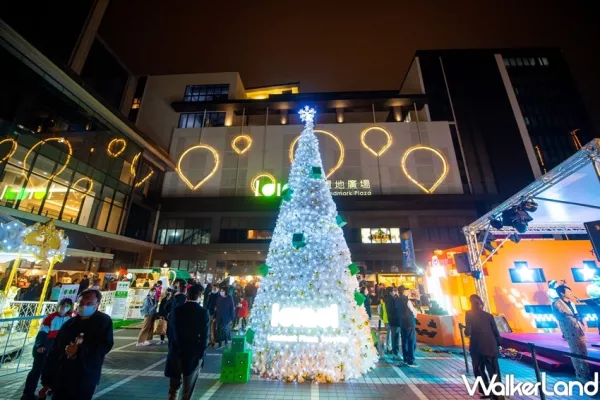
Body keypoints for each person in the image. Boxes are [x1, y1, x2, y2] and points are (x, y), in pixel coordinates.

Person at [41, 289, 113, 400]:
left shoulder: (103, 321)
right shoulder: (69, 324)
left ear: (97, 304)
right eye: (82, 303)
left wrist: (79, 350)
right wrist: (47, 381)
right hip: (62, 376)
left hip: (85, 376)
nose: (84, 306)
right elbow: (55, 351)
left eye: (89, 303)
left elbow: (104, 346)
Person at [22, 298, 73, 400]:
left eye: (67, 306)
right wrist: (40, 345)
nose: (64, 307)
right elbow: (42, 332)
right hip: (46, 348)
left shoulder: (70, 319)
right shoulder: (51, 317)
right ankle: (28, 394)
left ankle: (48, 390)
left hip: (59, 350)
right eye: (63, 305)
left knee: (54, 371)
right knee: (37, 370)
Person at [165, 284, 209, 400]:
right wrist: (201, 354)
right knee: (187, 390)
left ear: (186, 295)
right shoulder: (203, 312)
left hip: (175, 351)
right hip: (192, 353)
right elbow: (204, 337)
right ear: (199, 296)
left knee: (173, 388)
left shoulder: (177, 310)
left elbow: (170, 332)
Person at [465, 294, 502, 398]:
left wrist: (466, 332)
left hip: (477, 347)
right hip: (491, 346)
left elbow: (468, 331)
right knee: (494, 371)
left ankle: (486, 391)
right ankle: (498, 395)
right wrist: (498, 344)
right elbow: (495, 331)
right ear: (480, 303)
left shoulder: (469, 314)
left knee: (479, 370)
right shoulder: (488, 315)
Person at [552, 285, 590, 379]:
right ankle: (579, 374)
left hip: (578, 328)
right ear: (562, 293)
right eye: (568, 292)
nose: (571, 294)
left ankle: (586, 373)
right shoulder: (556, 303)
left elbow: (576, 314)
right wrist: (572, 316)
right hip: (569, 329)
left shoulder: (571, 303)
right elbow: (560, 315)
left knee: (583, 351)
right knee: (575, 352)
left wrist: (579, 318)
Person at [397, 285, 418, 367]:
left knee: (404, 341)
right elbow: (413, 311)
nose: (407, 292)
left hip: (402, 322)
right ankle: (411, 360)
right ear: (403, 291)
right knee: (411, 341)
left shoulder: (397, 300)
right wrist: (415, 315)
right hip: (409, 322)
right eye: (406, 290)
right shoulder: (407, 300)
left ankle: (405, 359)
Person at [383, 287, 400, 359]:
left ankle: (392, 351)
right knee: (395, 337)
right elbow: (394, 310)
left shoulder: (388, 299)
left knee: (392, 336)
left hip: (391, 320)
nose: (395, 292)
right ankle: (395, 353)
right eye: (394, 291)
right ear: (390, 292)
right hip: (394, 321)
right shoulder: (391, 300)